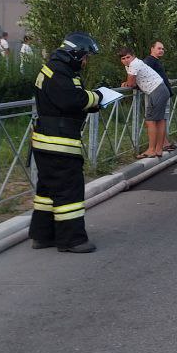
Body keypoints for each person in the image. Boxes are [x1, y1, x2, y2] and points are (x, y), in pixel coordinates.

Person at [29, 32, 104, 253]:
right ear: (75, 53)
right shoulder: (60, 73)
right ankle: (72, 240)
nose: (85, 61)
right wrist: (98, 97)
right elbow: (73, 100)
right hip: (59, 143)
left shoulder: (53, 68)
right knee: (69, 192)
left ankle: (43, 235)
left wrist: (90, 100)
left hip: (45, 142)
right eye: (85, 57)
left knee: (47, 191)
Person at [119, 47, 169, 159]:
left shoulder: (133, 65)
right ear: (121, 60)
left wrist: (125, 84)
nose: (126, 60)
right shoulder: (135, 63)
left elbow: (131, 84)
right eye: (123, 58)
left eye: (128, 57)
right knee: (160, 120)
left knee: (150, 121)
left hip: (156, 91)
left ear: (133, 56)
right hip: (160, 89)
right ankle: (158, 150)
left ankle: (151, 150)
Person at [143, 41, 177, 152]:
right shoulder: (149, 61)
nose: (161, 50)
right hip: (157, 93)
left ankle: (163, 143)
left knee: (162, 118)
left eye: (162, 49)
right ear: (151, 49)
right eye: (159, 48)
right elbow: (144, 76)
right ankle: (159, 145)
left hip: (162, 93)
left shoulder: (155, 61)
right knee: (158, 119)